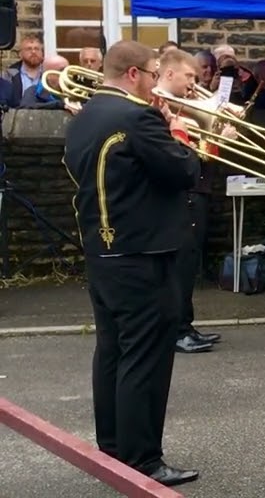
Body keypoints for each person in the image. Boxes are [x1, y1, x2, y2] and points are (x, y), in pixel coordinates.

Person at [63, 40, 201, 487]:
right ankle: (143, 459)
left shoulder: (83, 117)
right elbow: (182, 172)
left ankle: (113, 448)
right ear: (133, 75)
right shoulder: (138, 116)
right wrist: (180, 132)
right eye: (153, 73)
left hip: (102, 251)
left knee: (112, 351)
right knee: (145, 357)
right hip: (143, 254)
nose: (156, 81)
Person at [154, 49, 222, 354]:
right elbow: (184, 154)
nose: (194, 84)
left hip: (198, 188)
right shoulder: (161, 107)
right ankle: (178, 330)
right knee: (181, 265)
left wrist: (217, 132)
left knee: (189, 262)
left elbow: (204, 153)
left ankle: (186, 324)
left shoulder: (185, 106)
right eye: (189, 77)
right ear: (169, 74)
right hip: (185, 193)